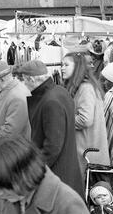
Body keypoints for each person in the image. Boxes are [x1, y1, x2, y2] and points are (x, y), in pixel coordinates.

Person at [18, 60, 83, 197]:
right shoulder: (60, 91)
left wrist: (34, 171)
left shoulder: (50, 101)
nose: (23, 84)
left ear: (30, 79)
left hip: (57, 174)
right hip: (65, 169)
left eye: (24, 80)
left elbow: (52, 146)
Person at [62, 52, 110, 178]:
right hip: (88, 153)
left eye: (66, 65)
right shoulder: (85, 87)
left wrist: (63, 119)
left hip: (87, 154)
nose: (62, 68)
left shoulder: (85, 88)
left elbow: (85, 119)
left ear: (77, 67)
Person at [0, 61, 31, 147]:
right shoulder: (9, 92)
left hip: (15, 153)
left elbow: (10, 131)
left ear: (2, 79)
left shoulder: (16, 97)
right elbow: (7, 116)